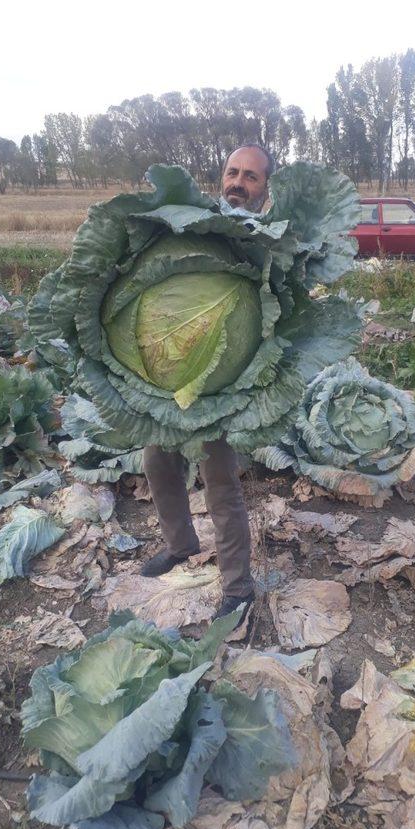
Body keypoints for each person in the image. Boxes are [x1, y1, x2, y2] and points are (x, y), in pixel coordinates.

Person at [139, 144, 274, 620]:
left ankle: (238, 586)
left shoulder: (271, 240)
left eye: (251, 177)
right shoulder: (187, 220)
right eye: (233, 172)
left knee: (220, 481)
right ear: (222, 176)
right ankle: (180, 545)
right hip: (159, 374)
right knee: (157, 463)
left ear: (264, 189)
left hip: (220, 386)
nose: (239, 182)